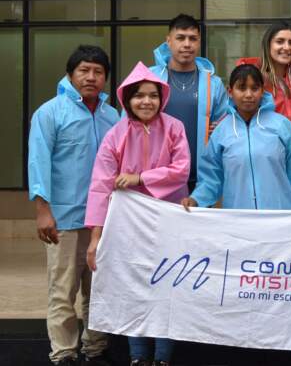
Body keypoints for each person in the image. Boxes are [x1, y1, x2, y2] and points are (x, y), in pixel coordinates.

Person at [85, 62, 190, 366]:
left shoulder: (174, 128)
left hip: (168, 224)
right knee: (134, 288)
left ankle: (162, 357)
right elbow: (100, 187)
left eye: (153, 95)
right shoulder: (115, 136)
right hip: (127, 228)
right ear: (127, 99)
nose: (146, 101)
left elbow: (181, 170)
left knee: (167, 288)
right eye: (139, 95)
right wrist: (95, 237)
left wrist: (140, 178)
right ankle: (138, 356)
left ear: (163, 98)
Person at [28, 45, 120, 366]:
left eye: (98, 72)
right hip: (64, 218)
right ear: (71, 74)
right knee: (62, 289)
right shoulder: (49, 113)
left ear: (106, 78)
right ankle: (64, 352)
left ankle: (95, 347)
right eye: (84, 70)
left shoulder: (113, 115)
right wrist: (43, 211)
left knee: (98, 290)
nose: (91, 77)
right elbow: (38, 163)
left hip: (102, 222)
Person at [182, 64, 291, 212]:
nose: (248, 94)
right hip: (238, 220)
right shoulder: (221, 132)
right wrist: (196, 199)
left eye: (254, 88)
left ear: (262, 91)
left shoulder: (281, 125)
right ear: (230, 91)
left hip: (281, 216)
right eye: (241, 88)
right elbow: (210, 178)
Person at [149, 14, 227, 191]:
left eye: (193, 39)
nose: (186, 44)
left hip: (201, 181)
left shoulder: (213, 84)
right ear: (168, 41)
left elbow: (226, 125)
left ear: (199, 42)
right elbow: (128, 125)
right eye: (180, 38)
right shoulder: (149, 77)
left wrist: (220, 127)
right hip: (156, 177)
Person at [235, 21, 291, 148]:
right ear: (268, 45)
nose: (286, 47)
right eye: (280, 41)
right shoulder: (254, 80)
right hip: (265, 155)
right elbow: (234, 113)